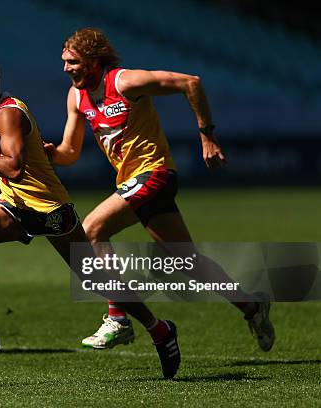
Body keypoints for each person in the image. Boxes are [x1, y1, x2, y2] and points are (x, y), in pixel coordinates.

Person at [0, 58, 181, 379]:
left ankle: (160, 330)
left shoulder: (7, 114)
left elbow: (13, 168)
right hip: (13, 204)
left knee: (96, 279)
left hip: (49, 209)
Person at [44, 28, 275, 352]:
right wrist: (47, 154)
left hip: (154, 173)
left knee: (91, 230)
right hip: (132, 183)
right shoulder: (76, 96)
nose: (67, 68)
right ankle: (252, 307)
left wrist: (206, 135)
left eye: (73, 62)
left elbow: (189, 82)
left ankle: (118, 318)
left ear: (94, 61)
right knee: (189, 263)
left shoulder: (125, 82)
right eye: (64, 62)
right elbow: (70, 152)